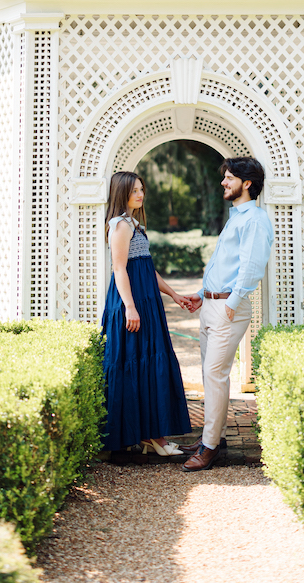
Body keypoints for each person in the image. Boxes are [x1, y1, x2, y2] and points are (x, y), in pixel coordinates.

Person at [179, 156, 274, 472]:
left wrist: (231, 302)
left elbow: (250, 266)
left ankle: (209, 448)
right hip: (212, 305)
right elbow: (224, 264)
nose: (223, 182)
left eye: (229, 177)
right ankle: (212, 437)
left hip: (228, 308)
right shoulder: (236, 217)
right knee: (210, 375)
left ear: (247, 184)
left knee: (215, 375)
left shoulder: (255, 220)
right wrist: (201, 294)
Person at [101, 170, 192, 456]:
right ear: (122, 194)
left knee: (149, 366)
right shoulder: (120, 226)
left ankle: (153, 436)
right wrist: (130, 307)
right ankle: (152, 439)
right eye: (134, 191)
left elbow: (146, 269)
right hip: (132, 302)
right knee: (133, 365)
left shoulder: (134, 224)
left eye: (141, 189)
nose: (140, 195)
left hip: (146, 301)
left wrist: (174, 294)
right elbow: (119, 268)